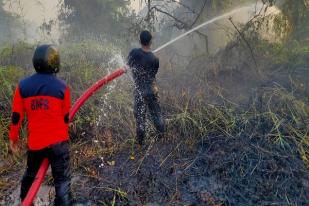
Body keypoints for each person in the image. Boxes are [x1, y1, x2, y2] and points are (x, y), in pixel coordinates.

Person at [9, 44, 73, 205]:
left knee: (30, 175)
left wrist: (13, 139)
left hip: (36, 145)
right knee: (62, 180)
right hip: (59, 143)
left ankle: (26, 200)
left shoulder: (22, 86)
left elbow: (16, 117)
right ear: (55, 63)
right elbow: (66, 118)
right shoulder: (63, 87)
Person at [127, 30, 165, 146]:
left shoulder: (134, 53)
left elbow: (127, 65)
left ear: (140, 40)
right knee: (157, 115)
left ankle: (141, 144)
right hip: (152, 91)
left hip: (139, 91)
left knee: (140, 117)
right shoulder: (155, 59)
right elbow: (153, 74)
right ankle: (162, 139)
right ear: (150, 42)